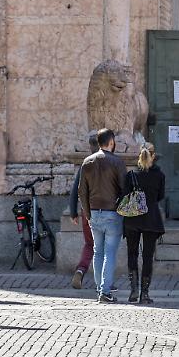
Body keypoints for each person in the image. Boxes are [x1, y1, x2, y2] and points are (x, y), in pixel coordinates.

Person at [78, 128, 127, 304]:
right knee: (109, 253)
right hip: (112, 212)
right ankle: (105, 291)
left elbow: (82, 191)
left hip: (94, 212)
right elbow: (125, 189)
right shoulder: (117, 162)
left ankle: (100, 289)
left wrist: (87, 213)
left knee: (98, 252)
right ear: (111, 142)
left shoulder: (87, 162)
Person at [123, 142, 166, 304]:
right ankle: (145, 294)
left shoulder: (131, 175)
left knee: (132, 254)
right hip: (151, 218)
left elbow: (125, 195)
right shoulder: (159, 175)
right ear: (153, 156)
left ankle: (133, 290)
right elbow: (160, 196)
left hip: (133, 218)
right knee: (148, 256)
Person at [69, 134, 100, 290]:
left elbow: (75, 190)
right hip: (105, 210)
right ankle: (104, 282)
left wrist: (73, 212)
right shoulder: (109, 162)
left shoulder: (85, 164)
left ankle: (81, 270)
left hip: (87, 210)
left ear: (90, 147)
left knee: (89, 244)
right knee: (104, 246)